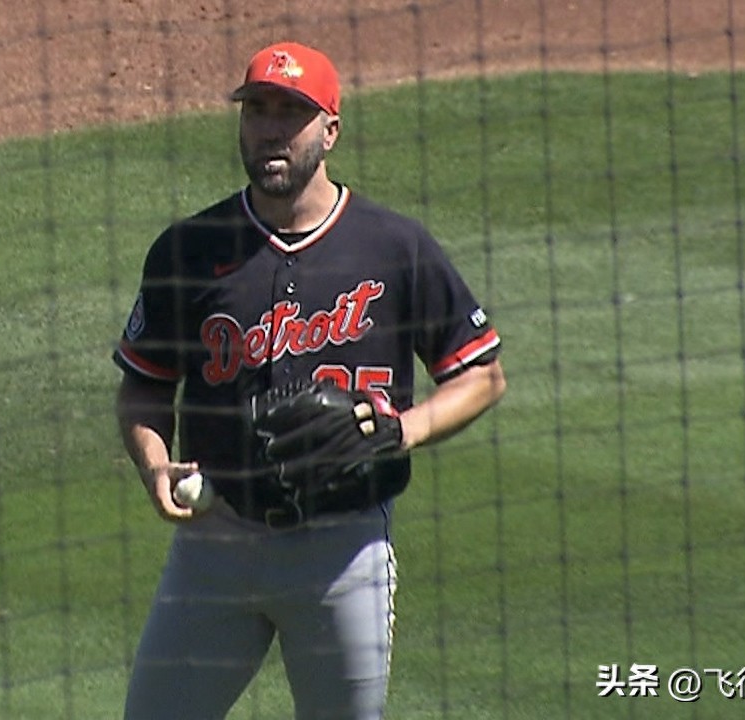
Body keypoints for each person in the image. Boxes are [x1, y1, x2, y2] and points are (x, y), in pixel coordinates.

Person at [113, 41, 506, 720]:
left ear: (330, 131)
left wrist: (399, 430)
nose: (269, 129)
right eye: (257, 110)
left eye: (291, 113)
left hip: (343, 551)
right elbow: (144, 387)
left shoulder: (394, 246)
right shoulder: (189, 248)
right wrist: (154, 464)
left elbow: (482, 376)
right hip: (215, 545)